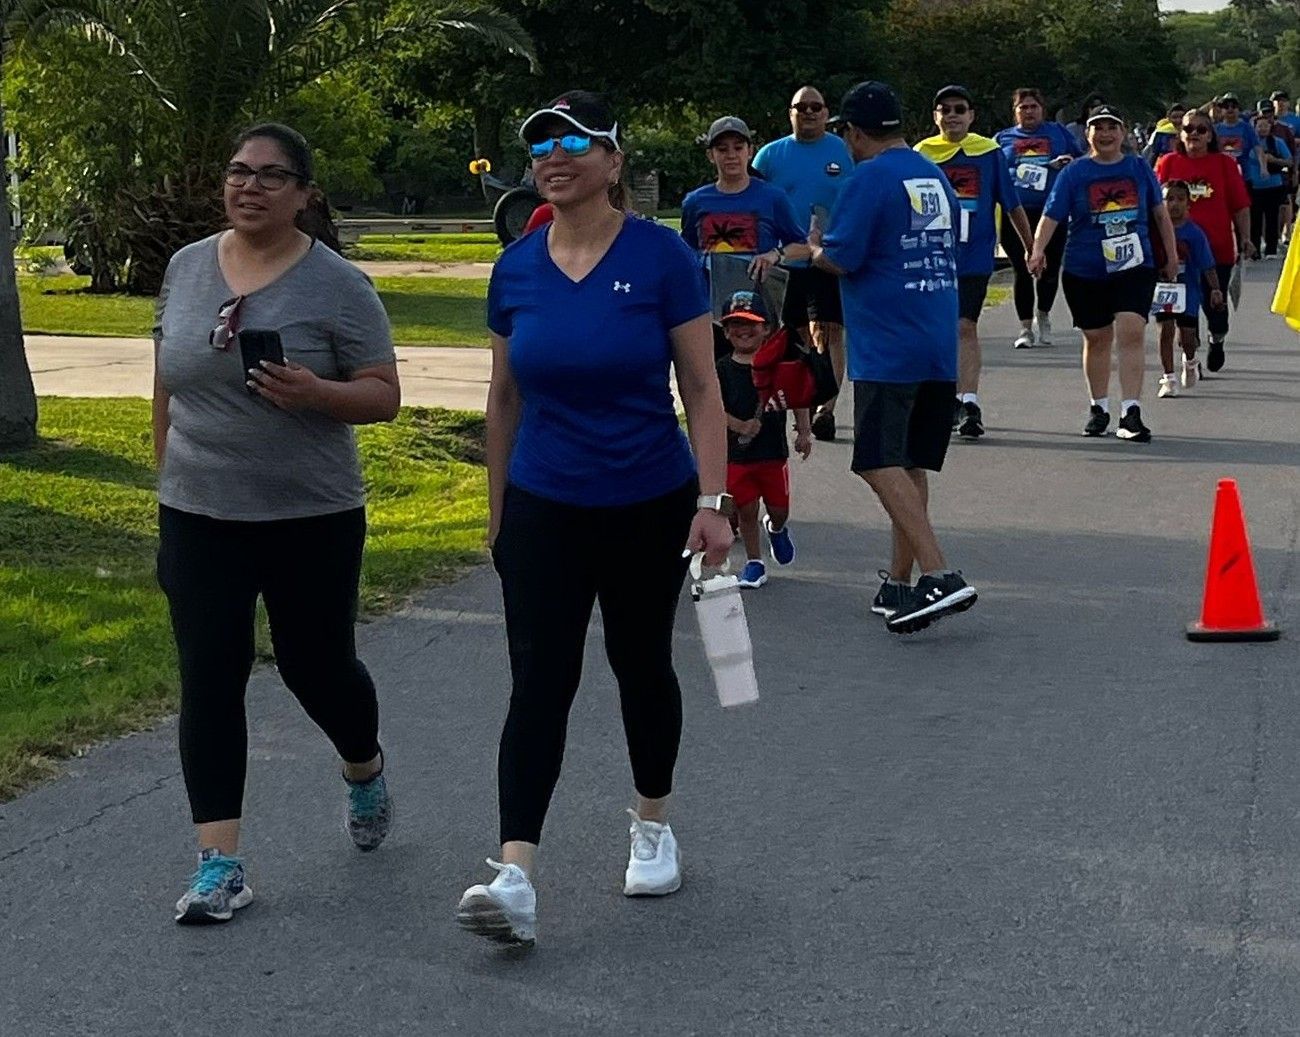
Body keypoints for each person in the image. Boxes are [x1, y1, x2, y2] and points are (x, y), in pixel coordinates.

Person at [458, 91, 733, 947]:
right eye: (540, 141)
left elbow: (702, 390)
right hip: (545, 501)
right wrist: (499, 515)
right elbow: (503, 398)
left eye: (577, 140)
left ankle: (652, 823)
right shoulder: (517, 267)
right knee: (539, 680)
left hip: (647, 497)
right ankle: (516, 874)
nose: (555, 153)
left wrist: (713, 502)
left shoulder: (661, 258)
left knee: (640, 664)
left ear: (614, 161)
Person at [153, 123, 401, 925]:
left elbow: (383, 393)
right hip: (199, 511)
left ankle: (362, 766)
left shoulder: (338, 285)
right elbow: (167, 377)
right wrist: (168, 473)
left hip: (311, 514)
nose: (248, 186)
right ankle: (218, 861)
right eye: (237, 172)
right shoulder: (187, 268)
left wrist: (316, 394)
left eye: (269, 175)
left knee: (316, 666)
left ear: (304, 193)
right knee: (210, 673)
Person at [782, 80, 977, 634]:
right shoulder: (929, 171)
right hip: (934, 333)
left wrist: (811, 246)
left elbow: (842, 259)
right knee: (909, 461)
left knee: (875, 458)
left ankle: (939, 572)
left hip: (888, 341)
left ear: (855, 132)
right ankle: (900, 582)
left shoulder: (869, 177)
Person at [1030, 105, 1178, 442]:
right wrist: (1037, 250)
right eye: (1099, 127)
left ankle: (1131, 411)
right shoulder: (1074, 174)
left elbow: (1160, 214)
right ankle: (1099, 408)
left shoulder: (1139, 168)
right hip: (1085, 268)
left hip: (1133, 265)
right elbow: (1051, 216)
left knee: (1131, 331)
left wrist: (1169, 255)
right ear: (1088, 134)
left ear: (1123, 133)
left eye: (1113, 127)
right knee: (1096, 339)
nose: (1106, 134)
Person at [916, 85, 1033, 439]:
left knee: (965, 326)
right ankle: (942, 396)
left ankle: (969, 401)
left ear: (971, 115)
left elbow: (1011, 203)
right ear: (935, 116)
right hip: (930, 257)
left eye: (959, 109)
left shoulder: (989, 153)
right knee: (936, 329)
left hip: (973, 257)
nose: (952, 115)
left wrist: (1031, 248)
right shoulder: (923, 154)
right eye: (945, 109)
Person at [753, 86, 853, 442]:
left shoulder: (843, 151)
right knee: (794, 333)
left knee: (829, 330)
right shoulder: (769, 156)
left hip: (828, 257)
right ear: (790, 113)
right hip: (783, 260)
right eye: (801, 107)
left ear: (826, 113)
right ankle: (803, 396)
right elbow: (754, 200)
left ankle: (828, 408)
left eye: (816, 107)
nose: (809, 113)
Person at [715, 289, 812, 588]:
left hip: (773, 453)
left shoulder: (778, 365)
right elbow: (712, 409)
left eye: (751, 324)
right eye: (735, 324)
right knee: (745, 510)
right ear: (726, 331)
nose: (743, 330)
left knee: (779, 508)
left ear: (767, 329)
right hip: (737, 456)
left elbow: (798, 397)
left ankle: (777, 528)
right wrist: (739, 425)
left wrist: (804, 431)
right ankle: (754, 563)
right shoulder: (721, 369)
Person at [680, 115, 808, 333]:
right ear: (711, 155)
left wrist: (775, 255)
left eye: (738, 148)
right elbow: (687, 251)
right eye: (722, 150)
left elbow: (803, 247)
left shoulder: (772, 197)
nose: (731, 156)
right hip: (710, 315)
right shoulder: (695, 201)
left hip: (759, 311)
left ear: (749, 151)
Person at [1156, 111, 1253, 371]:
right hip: (1176, 251)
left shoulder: (1224, 164)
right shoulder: (1168, 162)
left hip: (1216, 250)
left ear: (1210, 135)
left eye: (1201, 130)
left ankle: (1217, 339)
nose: (1195, 135)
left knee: (1215, 306)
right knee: (1184, 310)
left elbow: (1240, 206)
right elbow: (1155, 204)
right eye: (1189, 129)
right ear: (1181, 133)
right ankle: (1191, 353)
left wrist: (1245, 238)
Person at [995, 87, 1084, 349]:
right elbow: (994, 170)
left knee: (1049, 267)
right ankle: (1025, 328)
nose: (1029, 111)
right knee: (1021, 269)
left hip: (1052, 212)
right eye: (1023, 107)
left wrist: (1067, 161)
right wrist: (1019, 170)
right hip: (1016, 211)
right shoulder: (1003, 138)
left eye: (1033, 106)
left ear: (1042, 110)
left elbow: (1080, 159)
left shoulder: (1057, 132)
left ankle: (1043, 316)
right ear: (1015, 112)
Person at [1153, 180, 1221, 398]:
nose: (1174, 204)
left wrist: (1215, 290)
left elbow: (1207, 264)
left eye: (1180, 199)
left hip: (1188, 291)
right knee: (1165, 331)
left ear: (1188, 204)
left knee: (1187, 336)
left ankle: (1190, 360)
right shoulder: (1154, 231)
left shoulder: (1194, 233)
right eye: (1169, 199)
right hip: (1163, 289)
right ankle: (1168, 378)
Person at [1244, 109, 1292, 259]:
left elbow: (1289, 161)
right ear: (1254, 127)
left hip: (1273, 185)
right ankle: (1255, 250)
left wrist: (1274, 160)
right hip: (1253, 186)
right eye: (1259, 126)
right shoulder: (1248, 143)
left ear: (1270, 127)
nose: (1262, 129)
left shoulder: (1277, 142)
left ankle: (1271, 249)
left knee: (1272, 218)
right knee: (1254, 219)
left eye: (1266, 126)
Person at [1273, 91, 1300, 245]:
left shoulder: (1295, 120)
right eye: (1277, 101)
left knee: (1289, 198)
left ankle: (1287, 230)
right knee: (1278, 200)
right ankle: (1276, 233)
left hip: (1293, 162)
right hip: (1275, 164)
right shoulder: (1267, 119)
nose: (1280, 103)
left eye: (1283, 100)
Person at [1215, 93, 1259, 175]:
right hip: (1222, 173)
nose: (1230, 109)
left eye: (1233, 106)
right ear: (1221, 110)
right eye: (1226, 106)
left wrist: (1263, 166)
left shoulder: (1247, 128)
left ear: (1238, 109)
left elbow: (1257, 148)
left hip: (1244, 175)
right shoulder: (1215, 129)